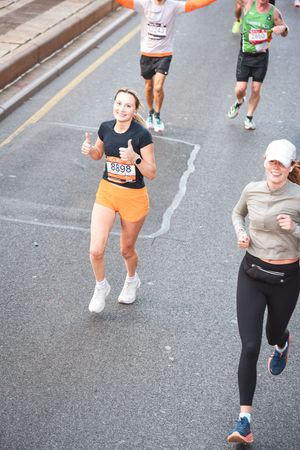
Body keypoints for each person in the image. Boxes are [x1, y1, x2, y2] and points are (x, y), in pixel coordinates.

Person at [227, 139, 300, 444]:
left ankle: (282, 340)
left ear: (291, 167)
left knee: (271, 335)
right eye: (272, 162)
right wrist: (241, 233)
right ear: (265, 161)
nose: (275, 168)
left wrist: (294, 229)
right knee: (250, 347)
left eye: (281, 164)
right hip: (252, 274)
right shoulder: (252, 189)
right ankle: (245, 420)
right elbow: (236, 213)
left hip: (286, 278)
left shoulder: (298, 198)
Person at [81, 88, 156, 313]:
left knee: (126, 250)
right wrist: (91, 150)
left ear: (134, 110)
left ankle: (132, 279)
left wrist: (136, 158)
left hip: (133, 198)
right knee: (96, 250)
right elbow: (98, 155)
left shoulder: (142, 135)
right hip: (107, 192)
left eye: (127, 106)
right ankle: (101, 286)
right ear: (113, 104)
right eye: (119, 104)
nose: (122, 109)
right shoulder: (105, 128)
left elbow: (151, 173)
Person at [115, 0, 216, 132]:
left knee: (158, 87)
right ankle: (150, 113)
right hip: (147, 54)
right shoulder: (145, 4)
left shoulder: (173, 6)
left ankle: (157, 115)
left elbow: (194, 4)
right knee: (149, 86)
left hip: (164, 54)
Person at [227, 0, 287, 130]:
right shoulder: (248, 4)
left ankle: (249, 118)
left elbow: (285, 31)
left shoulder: (274, 12)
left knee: (256, 89)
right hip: (245, 54)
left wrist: (282, 29)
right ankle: (239, 101)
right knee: (240, 89)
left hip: (261, 56)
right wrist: (238, 18)